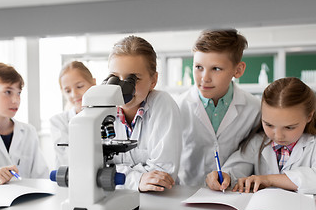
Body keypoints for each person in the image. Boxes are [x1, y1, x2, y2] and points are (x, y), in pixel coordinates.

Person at [177, 29, 261, 187]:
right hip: (186, 192)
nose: (205, 78)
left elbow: (250, 154)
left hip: (231, 193)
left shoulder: (254, 109)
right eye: (199, 67)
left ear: (238, 70)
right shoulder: (178, 107)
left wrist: (231, 175)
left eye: (216, 69)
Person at [206, 77, 316, 194]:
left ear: (309, 116)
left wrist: (268, 180)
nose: (278, 136)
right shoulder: (257, 143)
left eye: (289, 127)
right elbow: (236, 169)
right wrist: (223, 176)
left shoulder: (312, 146)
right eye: (269, 125)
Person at [108, 35, 182, 192]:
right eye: (115, 78)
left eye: (133, 79)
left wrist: (114, 175)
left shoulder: (162, 104)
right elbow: (89, 169)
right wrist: (138, 179)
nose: (122, 87)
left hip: (158, 200)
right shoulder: (100, 109)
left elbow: (162, 175)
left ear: (153, 80)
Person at [49, 61, 96, 167]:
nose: (74, 94)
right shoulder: (58, 121)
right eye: (68, 90)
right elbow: (67, 159)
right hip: (69, 179)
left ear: (93, 83)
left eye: (79, 86)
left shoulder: (109, 118)